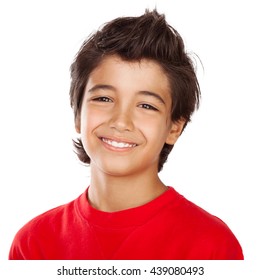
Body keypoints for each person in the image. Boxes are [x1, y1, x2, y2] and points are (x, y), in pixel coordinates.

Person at [9, 9, 243, 260]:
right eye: (104, 98)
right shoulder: (34, 244)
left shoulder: (212, 246)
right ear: (78, 115)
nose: (120, 121)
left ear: (174, 128)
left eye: (146, 106)